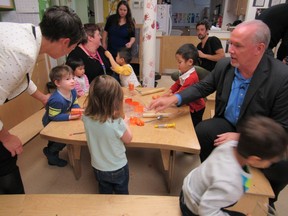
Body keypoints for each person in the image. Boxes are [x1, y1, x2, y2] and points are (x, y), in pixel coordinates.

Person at [149, 20, 288, 208]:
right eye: (231, 44)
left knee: (283, 165)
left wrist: (242, 137)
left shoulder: (281, 77)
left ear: (259, 48)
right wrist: (174, 99)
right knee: (204, 131)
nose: (231, 50)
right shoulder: (224, 66)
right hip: (228, 123)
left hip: (258, 132)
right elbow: (203, 87)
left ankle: (268, 201)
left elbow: (282, 126)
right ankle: (214, 179)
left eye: (238, 46)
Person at [0, 5, 83, 194]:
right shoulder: (23, 52)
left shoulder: (28, 35)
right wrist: (6, 136)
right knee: (6, 155)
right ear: (65, 42)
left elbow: (22, 77)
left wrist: (42, 97)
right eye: (72, 48)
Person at [180, 116, 288, 216]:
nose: (270, 164)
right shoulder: (230, 183)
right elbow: (206, 212)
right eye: (270, 161)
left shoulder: (230, 145)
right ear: (254, 159)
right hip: (192, 207)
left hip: (190, 189)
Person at [82, 75, 132, 194]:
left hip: (98, 167)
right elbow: (128, 139)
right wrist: (126, 124)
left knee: (104, 191)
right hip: (118, 167)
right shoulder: (116, 122)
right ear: (116, 101)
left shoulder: (86, 117)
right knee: (122, 193)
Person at [42, 65, 82, 167]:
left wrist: (76, 109)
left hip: (62, 116)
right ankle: (51, 154)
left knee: (57, 139)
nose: (73, 81)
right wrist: (69, 117)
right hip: (51, 121)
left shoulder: (72, 90)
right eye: (68, 79)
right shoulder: (56, 99)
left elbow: (74, 102)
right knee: (59, 140)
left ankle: (51, 148)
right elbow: (53, 117)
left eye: (73, 78)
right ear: (57, 83)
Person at [163, 44, 205, 127]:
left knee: (193, 126)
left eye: (180, 62)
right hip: (190, 104)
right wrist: (169, 91)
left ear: (190, 62)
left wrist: (169, 99)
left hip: (196, 108)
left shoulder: (191, 78)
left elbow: (181, 93)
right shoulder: (184, 72)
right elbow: (178, 83)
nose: (177, 64)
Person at [102, 0, 135, 82]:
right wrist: (104, 44)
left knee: (122, 73)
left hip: (123, 52)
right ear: (118, 9)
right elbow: (105, 32)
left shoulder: (130, 21)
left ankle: (120, 87)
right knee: (112, 70)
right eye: (121, 9)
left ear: (128, 11)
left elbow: (133, 37)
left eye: (125, 10)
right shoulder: (111, 19)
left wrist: (130, 43)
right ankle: (112, 86)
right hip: (111, 49)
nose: (122, 12)